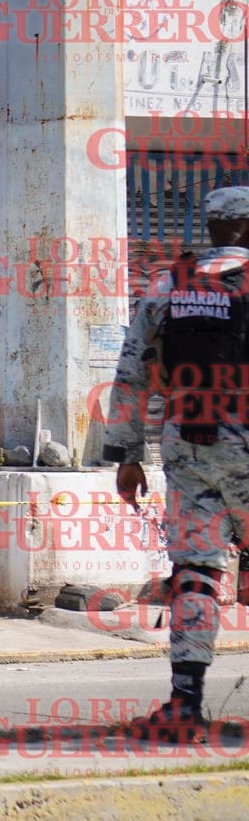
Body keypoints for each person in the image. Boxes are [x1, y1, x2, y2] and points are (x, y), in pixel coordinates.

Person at [104, 185, 249, 744]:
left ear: (212, 227)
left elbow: (132, 371)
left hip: (188, 445)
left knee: (196, 575)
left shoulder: (170, 285)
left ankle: (185, 705)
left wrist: (127, 454)